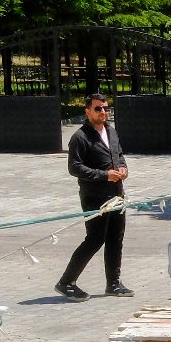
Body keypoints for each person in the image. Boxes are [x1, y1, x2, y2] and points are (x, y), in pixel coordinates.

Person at [55, 93, 133, 300]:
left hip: (117, 195)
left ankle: (113, 283)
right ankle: (66, 282)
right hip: (95, 197)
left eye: (106, 108)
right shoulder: (80, 137)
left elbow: (119, 155)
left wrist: (123, 168)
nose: (103, 112)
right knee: (95, 239)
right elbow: (74, 167)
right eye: (98, 109)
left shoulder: (111, 131)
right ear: (88, 111)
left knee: (115, 238)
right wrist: (104, 175)